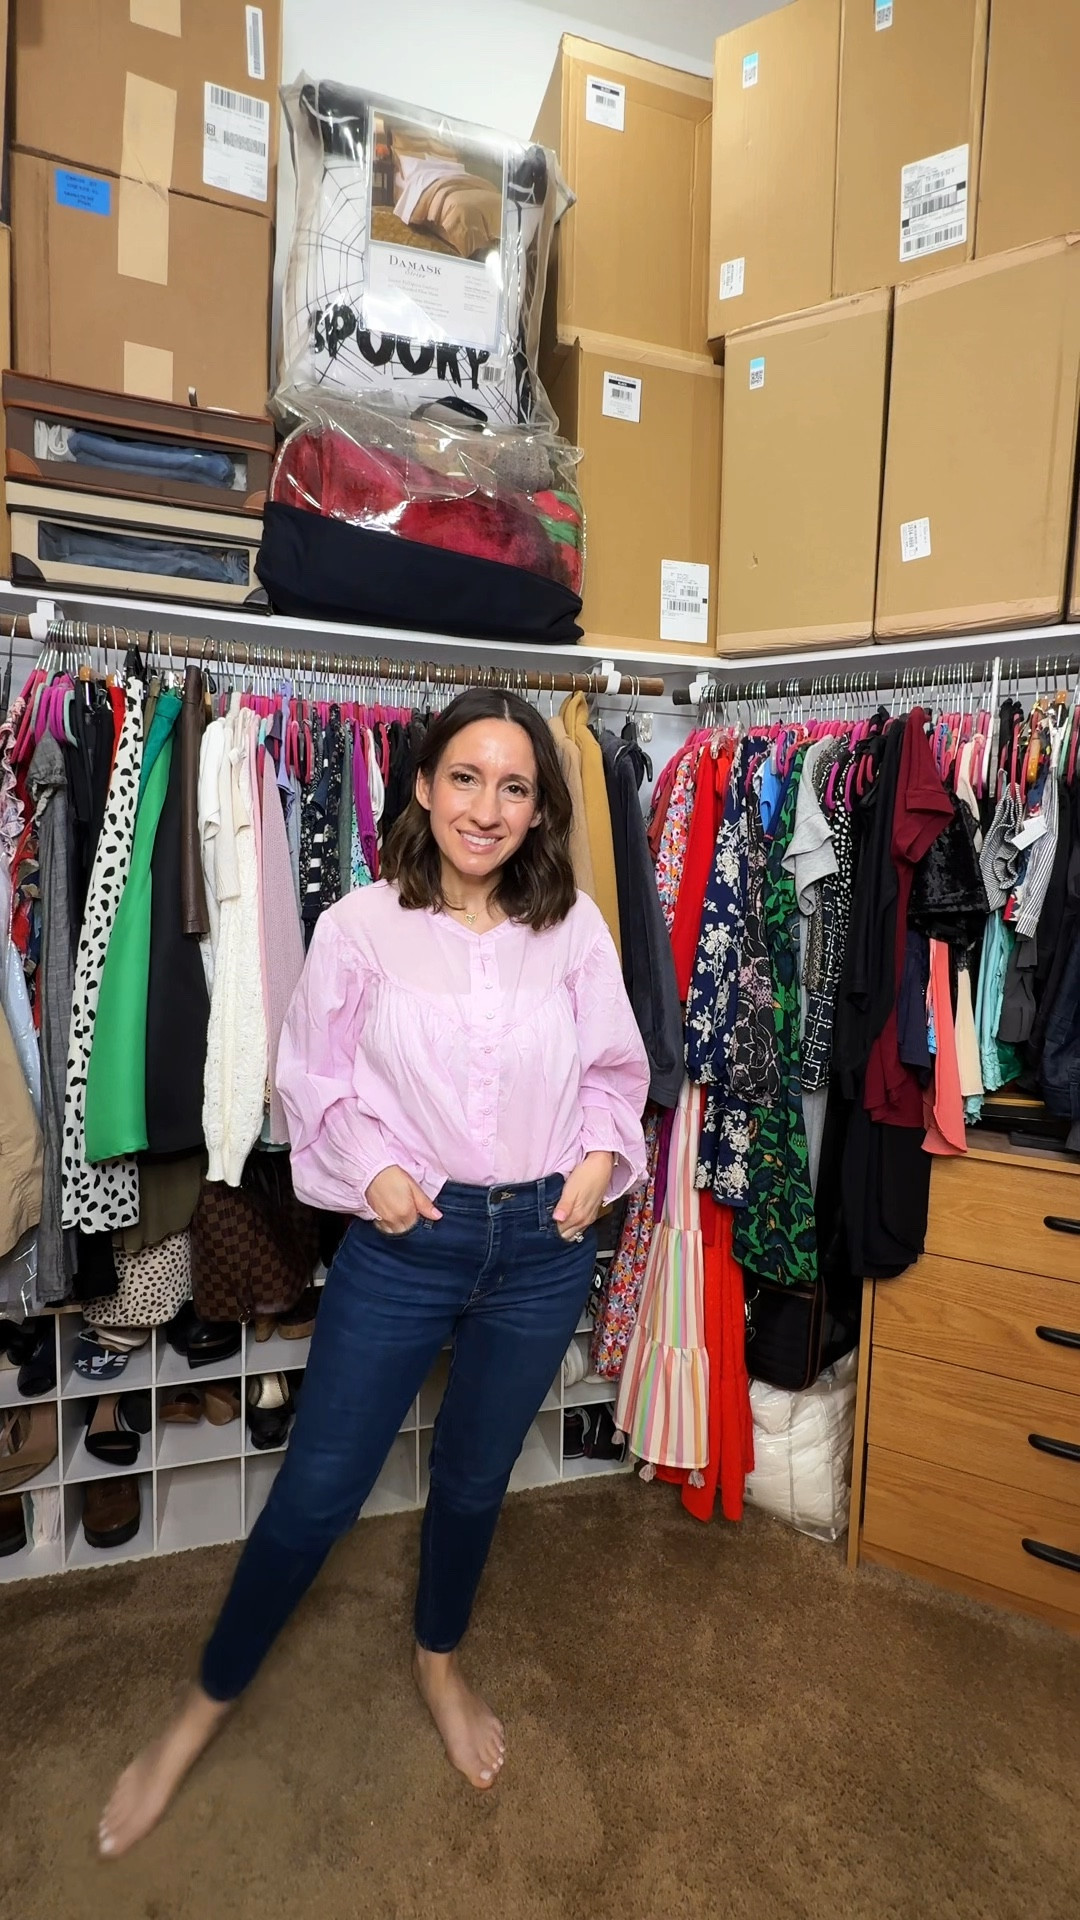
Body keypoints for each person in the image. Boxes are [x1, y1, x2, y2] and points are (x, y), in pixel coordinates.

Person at [99, 687, 649, 1856]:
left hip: (544, 1246)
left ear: (543, 808)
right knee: (317, 1491)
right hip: (408, 1243)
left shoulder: (577, 929)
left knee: (471, 1479)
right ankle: (202, 1708)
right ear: (419, 784)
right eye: (466, 778)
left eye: (515, 787)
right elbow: (312, 1083)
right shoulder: (359, 926)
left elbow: (614, 1068)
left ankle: (438, 1663)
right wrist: (375, 1169)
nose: (487, 808)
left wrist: (602, 1157)